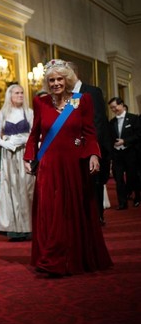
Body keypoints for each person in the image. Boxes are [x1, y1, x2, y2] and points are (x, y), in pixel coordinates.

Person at [23, 59, 113, 278]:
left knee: (71, 211)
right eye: (51, 80)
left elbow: (90, 132)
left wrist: (93, 154)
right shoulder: (41, 102)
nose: (55, 83)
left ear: (67, 79)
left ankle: (72, 256)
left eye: (59, 79)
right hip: (49, 165)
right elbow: (35, 133)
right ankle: (51, 258)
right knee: (51, 211)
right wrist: (29, 156)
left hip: (74, 165)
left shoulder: (82, 101)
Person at [67, 61, 113, 224]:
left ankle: (96, 218)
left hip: (91, 148)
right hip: (73, 150)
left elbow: (98, 122)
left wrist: (93, 149)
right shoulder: (68, 96)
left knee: (94, 186)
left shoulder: (92, 92)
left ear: (72, 74)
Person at [0, 84, 34, 241]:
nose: (20, 95)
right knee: (11, 190)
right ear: (10, 95)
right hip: (8, 156)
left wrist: (24, 138)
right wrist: (6, 144)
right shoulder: (2, 114)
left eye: (22, 93)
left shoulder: (29, 112)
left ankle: (29, 227)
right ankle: (14, 229)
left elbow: (35, 134)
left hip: (25, 154)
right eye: (17, 93)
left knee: (27, 188)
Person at [108, 97, 141, 209]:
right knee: (119, 180)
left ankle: (136, 197)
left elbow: (138, 135)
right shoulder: (111, 122)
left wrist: (125, 141)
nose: (114, 109)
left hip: (130, 153)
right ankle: (122, 203)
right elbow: (110, 138)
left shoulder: (133, 118)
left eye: (115, 106)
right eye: (111, 108)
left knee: (132, 177)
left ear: (121, 104)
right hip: (117, 155)